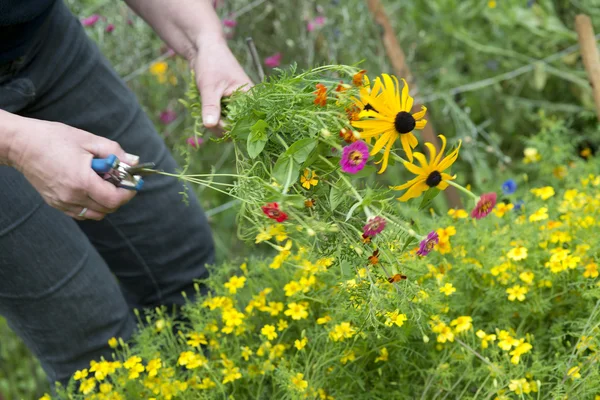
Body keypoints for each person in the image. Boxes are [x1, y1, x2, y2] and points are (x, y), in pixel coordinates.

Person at [0, 0, 252, 390]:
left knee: (181, 258)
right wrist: (16, 143)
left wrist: (205, 40)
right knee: (94, 339)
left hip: (46, 50)